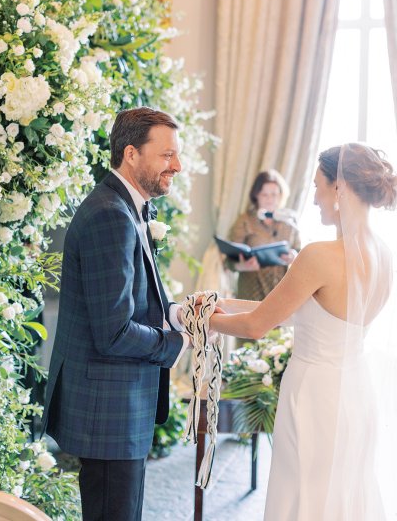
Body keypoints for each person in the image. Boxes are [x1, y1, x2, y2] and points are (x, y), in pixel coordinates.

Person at [210, 143, 397, 519]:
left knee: (304, 498)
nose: (313, 200)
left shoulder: (319, 255)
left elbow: (257, 325)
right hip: (355, 392)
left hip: (314, 396)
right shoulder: (383, 253)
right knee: (341, 494)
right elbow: (298, 313)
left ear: (339, 187)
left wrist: (195, 318)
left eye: (317, 186)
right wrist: (222, 303)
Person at [41, 107, 190, 521]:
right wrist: (177, 343)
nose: (177, 165)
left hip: (115, 402)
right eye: (166, 155)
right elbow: (115, 332)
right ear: (131, 154)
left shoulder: (126, 205)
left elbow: (128, 301)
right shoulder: (111, 214)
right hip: (107, 408)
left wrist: (176, 314)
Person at [227, 170, 301, 302]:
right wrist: (243, 266)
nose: (270, 199)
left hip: (280, 296)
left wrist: (293, 256)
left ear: (281, 195)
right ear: (256, 196)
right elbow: (229, 261)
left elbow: (299, 251)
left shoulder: (289, 220)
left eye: (274, 194)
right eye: (264, 195)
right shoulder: (245, 221)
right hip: (251, 295)